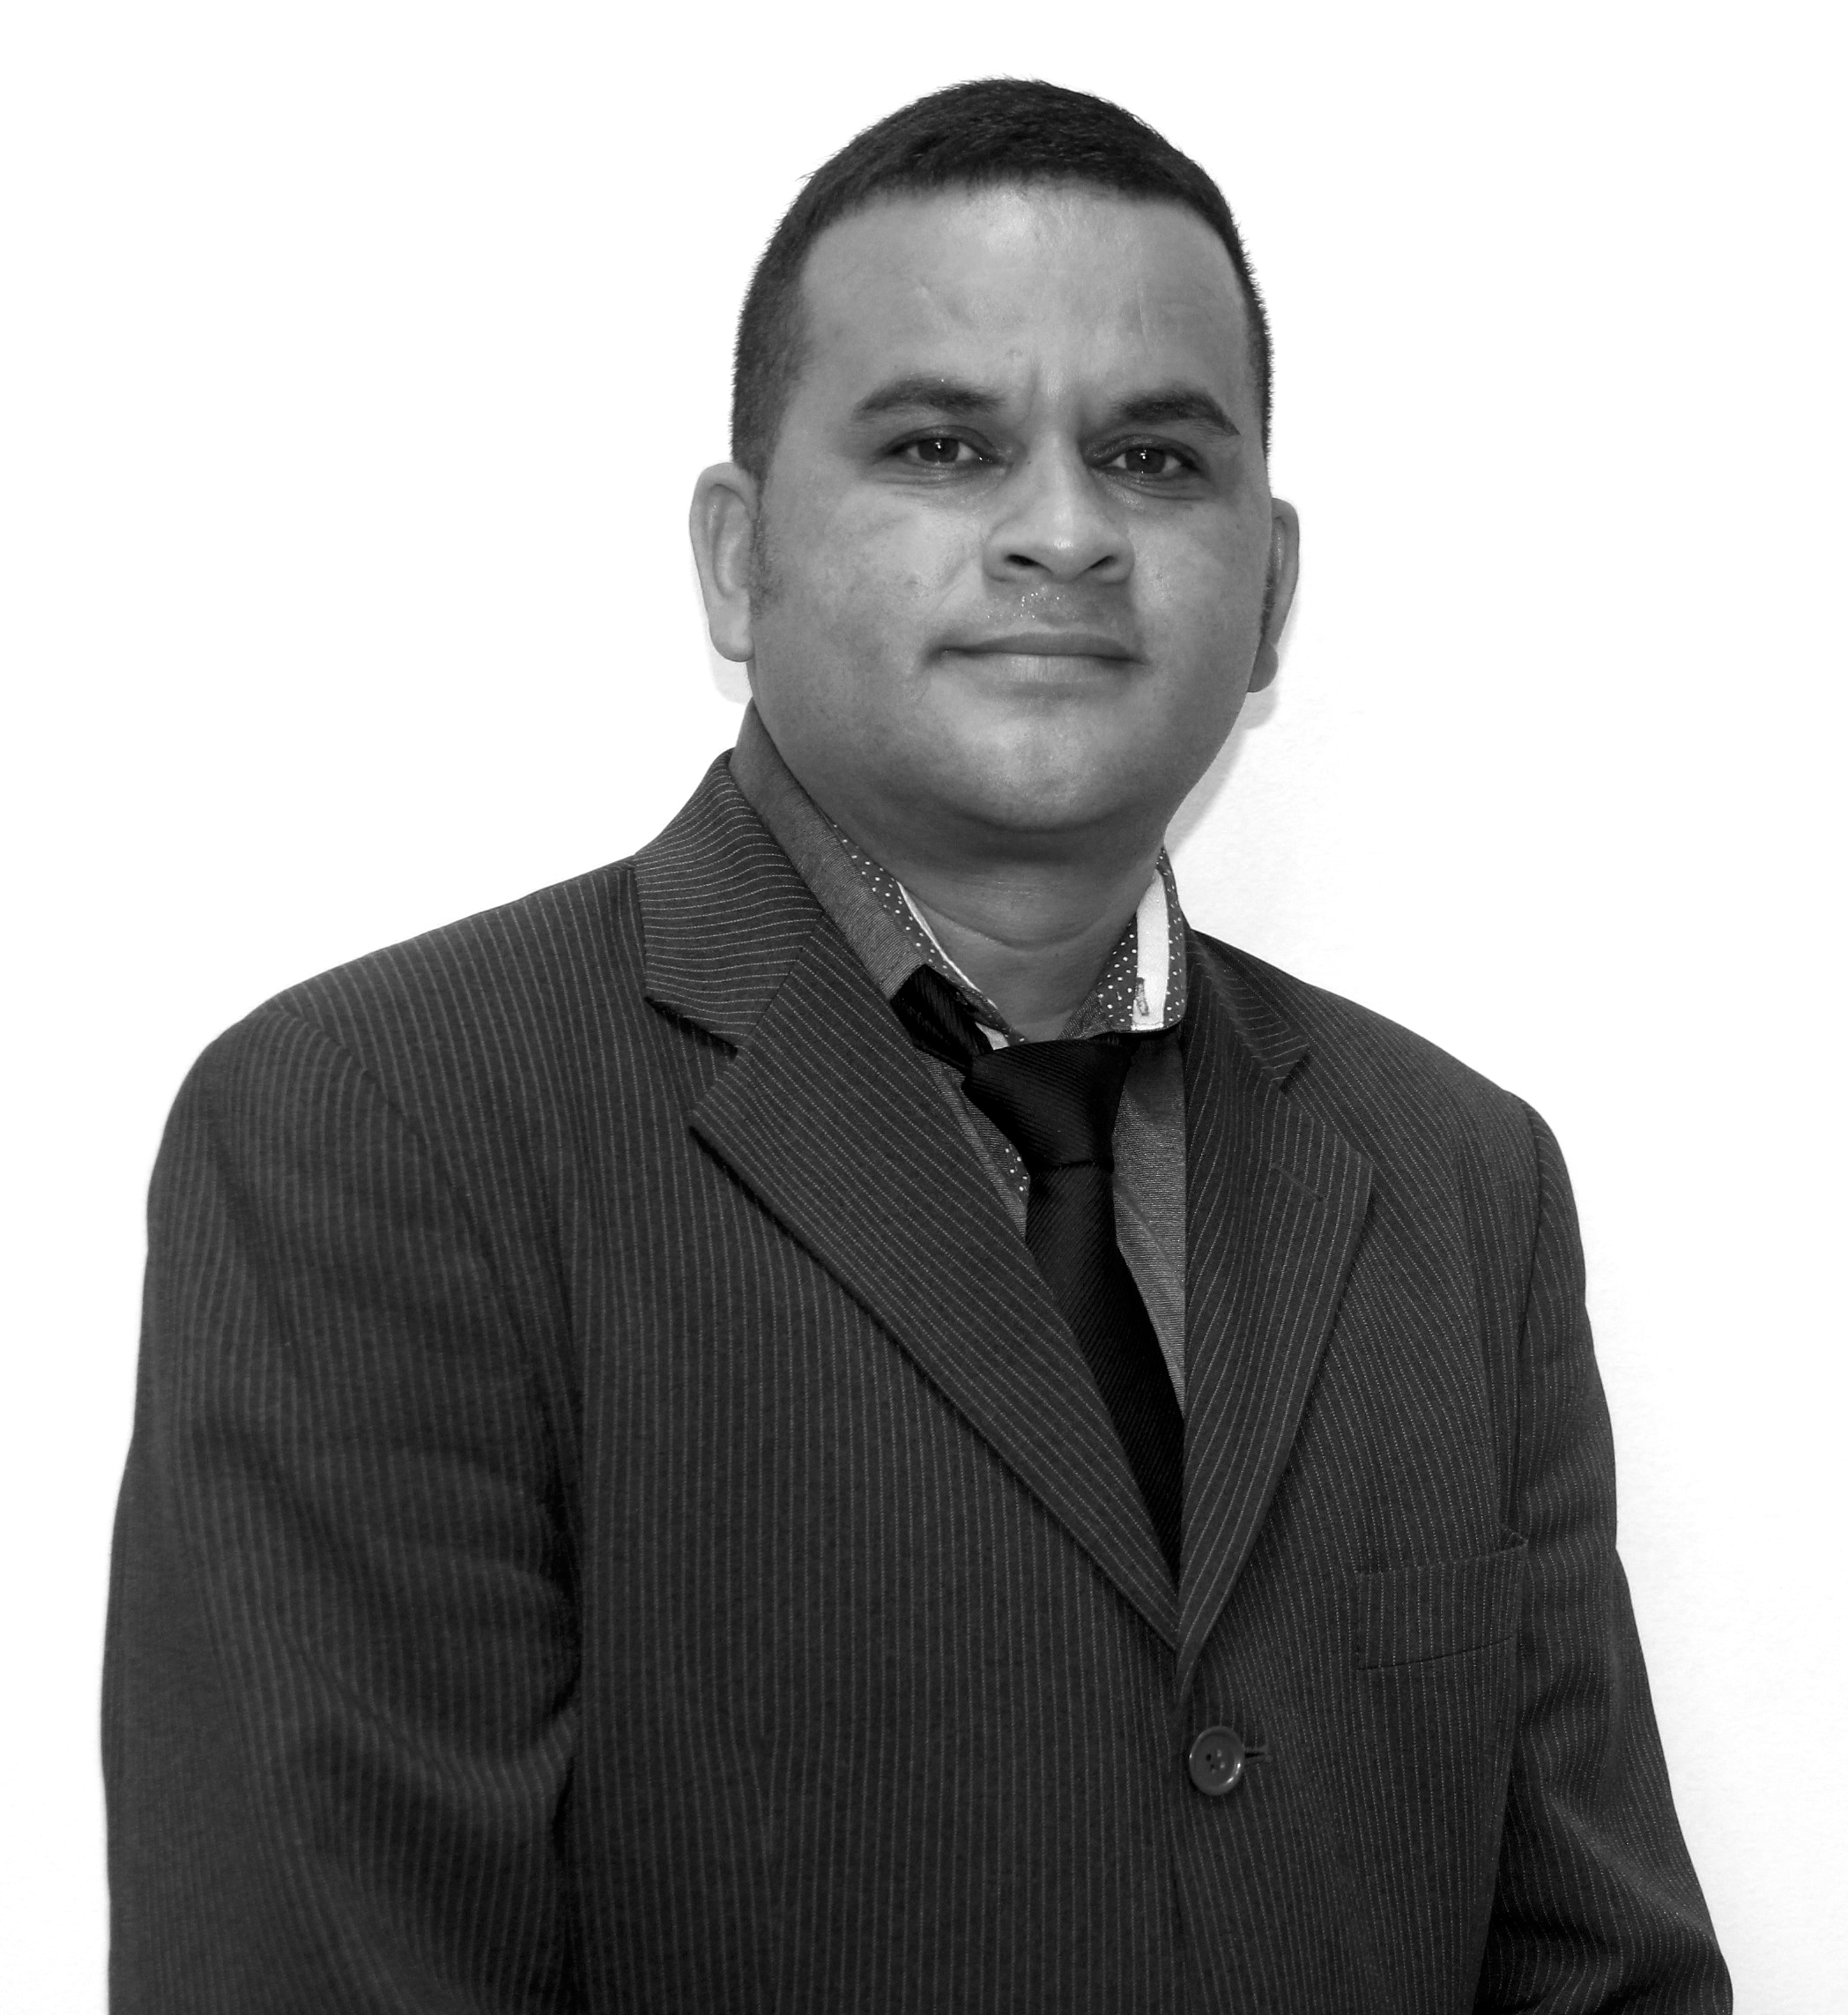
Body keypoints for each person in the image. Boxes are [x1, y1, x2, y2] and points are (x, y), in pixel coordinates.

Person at [104, 78, 1729, 2013]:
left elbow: (1597, 1969)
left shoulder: (1458, 1179)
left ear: (1270, 590)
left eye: (1152, 458)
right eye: (943, 445)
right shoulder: (386, 1129)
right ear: (736, 559)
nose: (1065, 532)